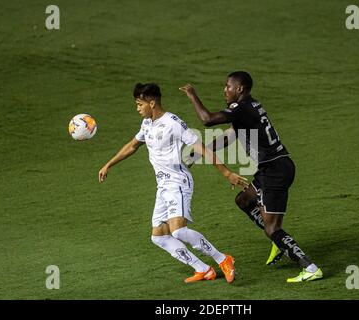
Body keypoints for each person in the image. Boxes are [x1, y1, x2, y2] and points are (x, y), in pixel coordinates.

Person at [180, 72, 323, 282]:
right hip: (271, 168)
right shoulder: (250, 107)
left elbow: (207, 120)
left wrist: (192, 95)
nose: (224, 90)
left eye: (228, 86)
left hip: (274, 171)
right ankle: (279, 241)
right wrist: (200, 152)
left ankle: (310, 267)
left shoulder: (242, 108)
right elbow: (229, 136)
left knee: (272, 228)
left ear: (240, 89)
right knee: (244, 200)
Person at [98, 83, 248, 284]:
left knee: (178, 231)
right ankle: (202, 269)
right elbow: (133, 146)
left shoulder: (173, 123)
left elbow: (202, 149)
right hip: (163, 187)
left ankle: (223, 259)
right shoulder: (147, 124)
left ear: (152, 103)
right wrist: (109, 164)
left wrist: (226, 173)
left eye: (139, 104)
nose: (137, 108)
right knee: (159, 237)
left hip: (178, 182)